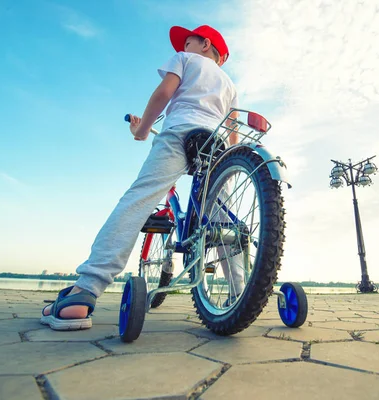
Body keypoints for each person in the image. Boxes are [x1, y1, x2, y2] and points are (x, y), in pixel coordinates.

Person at [41, 25, 240, 330]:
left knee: (138, 200)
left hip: (180, 133)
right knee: (222, 223)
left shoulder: (185, 61)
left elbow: (163, 93)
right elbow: (234, 131)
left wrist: (142, 130)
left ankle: (84, 292)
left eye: (187, 43)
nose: (181, 48)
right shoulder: (229, 83)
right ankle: (241, 292)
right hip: (216, 146)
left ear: (205, 45)